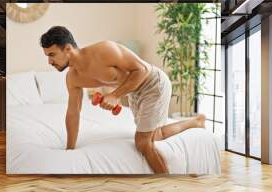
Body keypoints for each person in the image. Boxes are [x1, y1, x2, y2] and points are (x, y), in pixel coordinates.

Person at [40, 26, 206, 174]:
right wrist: (70, 149)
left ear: (68, 49)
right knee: (154, 135)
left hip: (153, 82)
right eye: (47, 56)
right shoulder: (73, 78)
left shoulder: (103, 50)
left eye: (52, 55)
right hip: (134, 91)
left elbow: (142, 70)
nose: (49, 61)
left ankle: (170, 187)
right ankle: (196, 122)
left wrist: (115, 95)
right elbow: (73, 113)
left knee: (142, 142)